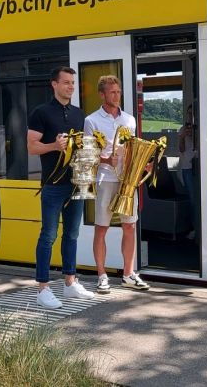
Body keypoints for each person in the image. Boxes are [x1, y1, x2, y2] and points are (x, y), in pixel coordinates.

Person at [27, 66, 95, 309]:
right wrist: (54, 147)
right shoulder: (40, 112)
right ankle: (43, 289)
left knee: (73, 234)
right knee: (48, 235)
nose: (71, 87)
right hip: (53, 186)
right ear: (54, 84)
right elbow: (32, 147)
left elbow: (85, 148)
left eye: (73, 83)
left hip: (76, 183)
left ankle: (69, 283)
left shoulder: (79, 114)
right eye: (66, 82)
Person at [84, 75, 150, 293]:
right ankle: (102, 275)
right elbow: (87, 154)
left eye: (118, 91)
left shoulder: (129, 120)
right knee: (101, 227)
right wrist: (104, 159)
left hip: (127, 180)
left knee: (129, 226)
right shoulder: (91, 120)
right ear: (102, 95)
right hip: (105, 179)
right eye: (112, 92)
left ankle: (128, 274)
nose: (117, 95)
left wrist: (144, 165)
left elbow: (133, 149)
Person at [178, 103, 199, 240]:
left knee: (200, 199)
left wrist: (195, 136)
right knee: (192, 200)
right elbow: (181, 150)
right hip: (187, 168)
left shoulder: (202, 128)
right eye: (189, 114)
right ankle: (194, 228)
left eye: (193, 114)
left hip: (199, 168)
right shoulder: (183, 129)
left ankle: (199, 228)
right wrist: (183, 137)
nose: (190, 116)